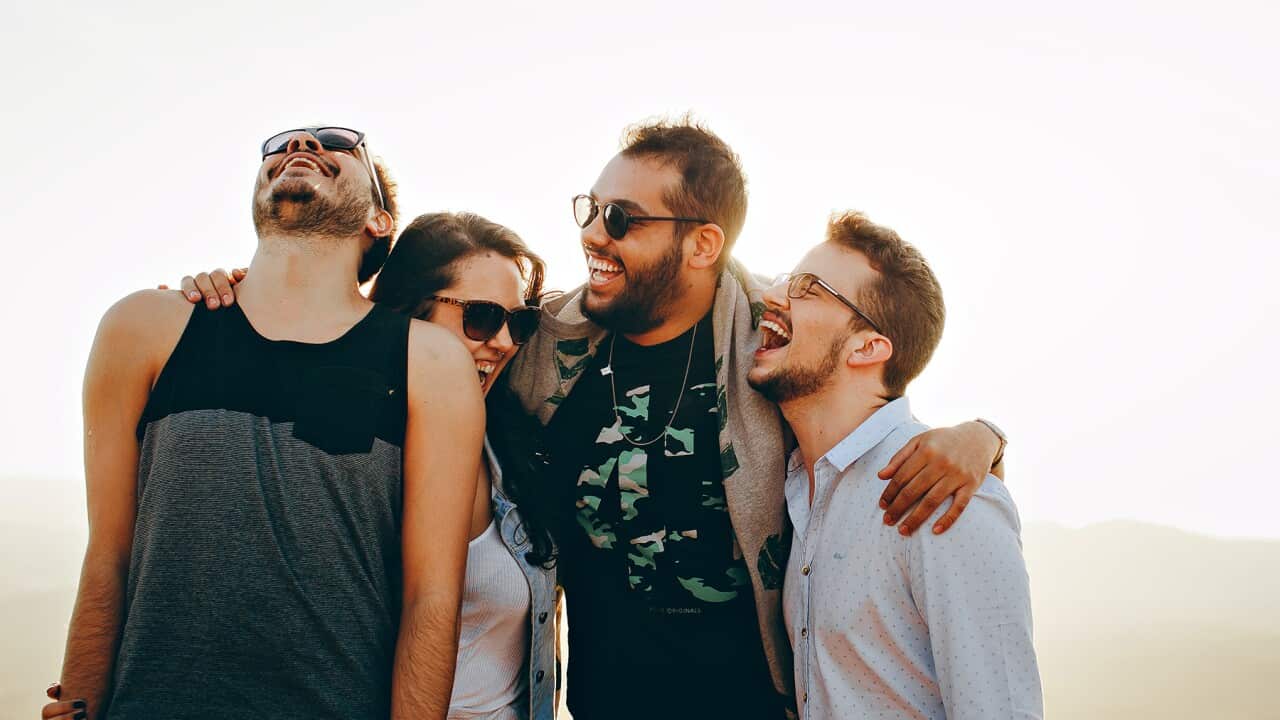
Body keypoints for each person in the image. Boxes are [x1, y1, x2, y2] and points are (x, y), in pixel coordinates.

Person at [501, 118, 1008, 719]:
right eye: (590, 209)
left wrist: (983, 437)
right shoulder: (542, 345)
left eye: (619, 218)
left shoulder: (771, 342)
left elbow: (867, 393)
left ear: (703, 244)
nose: (591, 234)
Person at [44, 127, 484, 720]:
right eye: (279, 145)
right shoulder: (144, 327)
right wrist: (78, 701)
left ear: (378, 220)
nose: (300, 142)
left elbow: (430, 597)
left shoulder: (428, 361)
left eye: (338, 143)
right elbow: (108, 556)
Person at [748, 211, 1041, 718]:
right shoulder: (799, 490)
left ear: (868, 347)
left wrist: (989, 435)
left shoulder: (949, 498)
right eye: (783, 280)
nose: (773, 296)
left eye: (807, 288)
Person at [369, 212, 559, 720]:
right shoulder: (355, 454)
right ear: (410, 311)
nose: (505, 342)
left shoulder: (510, 446)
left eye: (519, 322)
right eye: (481, 317)